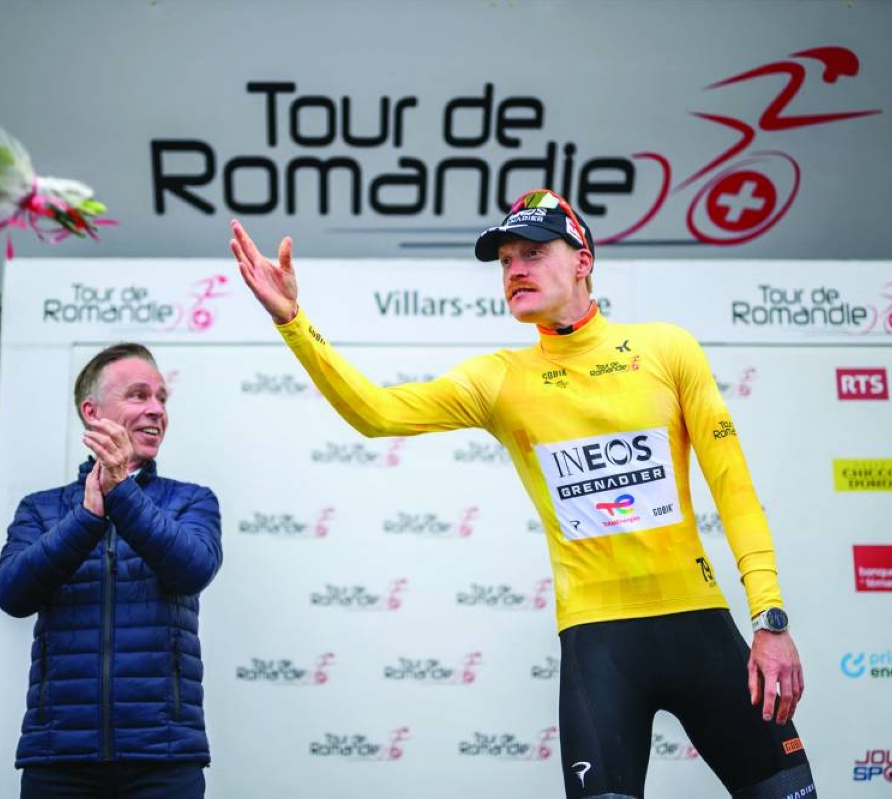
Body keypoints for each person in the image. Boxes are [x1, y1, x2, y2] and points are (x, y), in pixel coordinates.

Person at [229, 189, 815, 799]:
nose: (515, 270)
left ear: (582, 260)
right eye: (506, 260)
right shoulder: (500, 380)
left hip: (701, 629)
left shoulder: (666, 349)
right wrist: (292, 322)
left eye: (533, 253)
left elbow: (734, 488)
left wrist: (769, 619)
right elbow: (376, 414)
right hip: (600, 645)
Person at [0, 343, 223, 799]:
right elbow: (11, 594)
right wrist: (86, 517)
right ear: (92, 412)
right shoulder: (41, 509)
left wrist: (120, 492)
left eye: (162, 398)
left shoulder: (192, 501)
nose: (156, 409)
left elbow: (192, 569)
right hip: (59, 757)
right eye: (139, 395)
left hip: (164, 756)